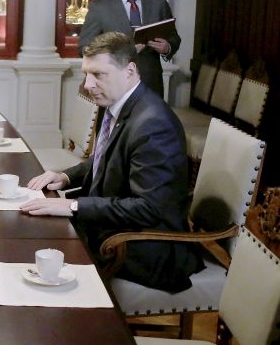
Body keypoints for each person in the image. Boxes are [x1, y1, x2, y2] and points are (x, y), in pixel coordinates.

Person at [21, 32, 203, 293]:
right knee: (34, 231)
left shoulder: (153, 124)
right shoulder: (123, 103)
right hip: (115, 228)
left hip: (144, 247)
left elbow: (148, 208)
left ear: (129, 71)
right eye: (86, 74)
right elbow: (108, 158)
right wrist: (65, 177)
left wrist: (73, 205)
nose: (88, 84)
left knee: (41, 250)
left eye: (98, 74)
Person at [78, 0, 180, 98]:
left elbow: (174, 37)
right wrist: (121, 53)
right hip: (113, 85)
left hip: (151, 84)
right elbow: (84, 48)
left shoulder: (157, 1)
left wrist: (167, 47)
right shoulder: (99, 7)